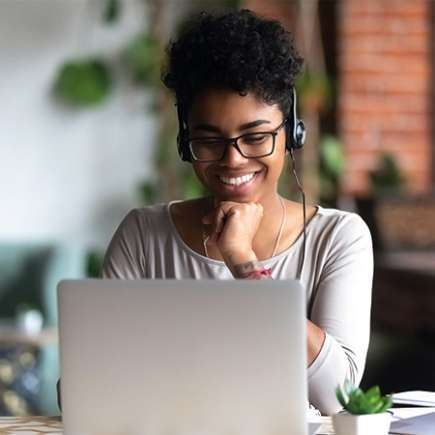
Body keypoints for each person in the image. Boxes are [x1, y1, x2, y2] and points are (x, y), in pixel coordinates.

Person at [102, 9, 373, 415]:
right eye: (209, 141)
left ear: (292, 134)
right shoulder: (143, 235)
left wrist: (244, 263)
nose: (233, 160)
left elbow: (341, 396)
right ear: (184, 141)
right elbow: (87, 386)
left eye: (256, 137)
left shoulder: (337, 237)